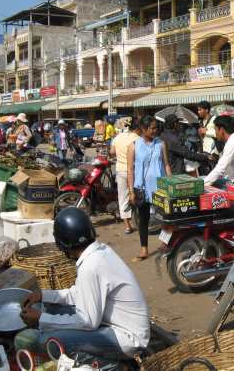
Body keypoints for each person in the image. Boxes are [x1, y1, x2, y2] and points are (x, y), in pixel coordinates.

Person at [16, 207, 150, 360]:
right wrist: (42, 296)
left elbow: (88, 322)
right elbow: (80, 294)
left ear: (62, 244)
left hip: (128, 340)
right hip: (114, 325)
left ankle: (111, 365)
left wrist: (41, 319)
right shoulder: (100, 252)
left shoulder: (91, 266)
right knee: (51, 309)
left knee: (45, 341)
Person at [127, 116, 171, 261]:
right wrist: (131, 191)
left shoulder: (161, 144)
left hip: (160, 188)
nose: (155, 130)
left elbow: (166, 165)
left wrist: (171, 183)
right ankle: (144, 248)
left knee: (167, 217)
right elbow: (130, 170)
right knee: (143, 219)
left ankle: (165, 244)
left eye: (155, 128)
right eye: (152, 128)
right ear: (143, 129)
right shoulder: (133, 146)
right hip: (142, 189)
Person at [111, 119, 140, 235]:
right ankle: (140, 220)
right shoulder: (137, 139)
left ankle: (127, 226)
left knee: (122, 197)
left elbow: (112, 151)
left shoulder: (117, 137)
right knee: (137, 195)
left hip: (120, 170)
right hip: (133, 171)